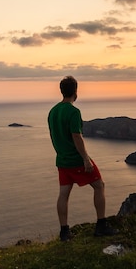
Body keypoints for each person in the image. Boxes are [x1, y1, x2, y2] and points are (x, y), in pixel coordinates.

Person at [48, 76, 118, 241]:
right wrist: (85, 159)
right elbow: (77, 136)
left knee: (63, 194)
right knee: (99, 186)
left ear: (61, 90)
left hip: (62, 161)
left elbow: (55, 136)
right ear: (75, 91)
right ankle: (101, 225)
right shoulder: (73, 112)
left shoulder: (53, 112)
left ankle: (64, 232)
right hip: (76, 160)